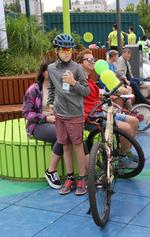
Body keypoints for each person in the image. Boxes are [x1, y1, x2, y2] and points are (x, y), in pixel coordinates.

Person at [76, 49, 139, 165]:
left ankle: (126, 151)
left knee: (134, 121)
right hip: (93, 117)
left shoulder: (89, 79)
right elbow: (79, 102)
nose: (92, 62)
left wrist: (107, 97)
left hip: (102, 112)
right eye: (88, 59)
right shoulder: (78, 81)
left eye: (93, 60)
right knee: (127, 128)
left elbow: (94, 97)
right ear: (80, 63)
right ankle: (122, 156)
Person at [47, 34, 90, 196]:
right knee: (65, 145)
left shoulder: (77, 68)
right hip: (60, 114)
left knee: (78, 146)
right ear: (56, 51)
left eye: (69, 50)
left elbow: (86, 91)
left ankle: (82, 178)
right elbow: (51, 88)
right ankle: (70, 178)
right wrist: (51, 103)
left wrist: (73, 83)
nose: (66, 53)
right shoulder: (51, 68)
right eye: (63, 50)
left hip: (75, 114)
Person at [23, 60, 63, 189]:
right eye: (49, 70)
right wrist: (46, 118)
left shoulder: (59, 86)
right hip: (39, 124)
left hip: (60, 120)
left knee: (74, 134)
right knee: (62, 135)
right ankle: (51, 171)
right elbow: (26, 113)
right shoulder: (34, 89)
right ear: (43, 72)